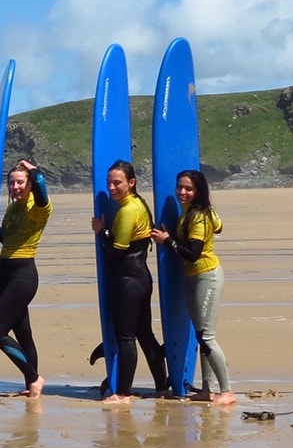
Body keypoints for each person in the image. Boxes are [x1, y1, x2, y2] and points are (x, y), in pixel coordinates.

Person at [151, 169, 236, 408]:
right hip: (193, 278)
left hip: (206, 277)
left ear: (198, 191)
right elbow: (219, 226)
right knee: (201, 334)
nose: (182, 192)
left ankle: (227, 391)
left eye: (188, 189)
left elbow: (193, 253)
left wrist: (167, 240)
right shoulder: (194, 212)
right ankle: (207, 390)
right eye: (180, 187)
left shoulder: (197, 216)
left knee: (207, 337)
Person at [90, 160, 169, 404]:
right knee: (145, 334)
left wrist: (101, 230)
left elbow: (116, 250)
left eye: (117, 183)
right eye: (109, 183)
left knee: (126, 338)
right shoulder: (139, 204)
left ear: (131, 183)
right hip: (141, 277)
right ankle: (161, 386)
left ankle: (123, 393)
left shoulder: (127, 210)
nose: (112, 188)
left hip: (128, 281)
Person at [0, 159, 51, 397]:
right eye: (12, 182)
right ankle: (30, 385)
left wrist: (34, 169)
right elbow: (8, 238)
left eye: (20, 182)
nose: (16, 187)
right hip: (4, 271)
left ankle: (35, 378)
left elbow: (42, 185)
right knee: (23, 333)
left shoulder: (38, 207)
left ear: (29, 183)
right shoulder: (13, 207)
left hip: (23, 275)